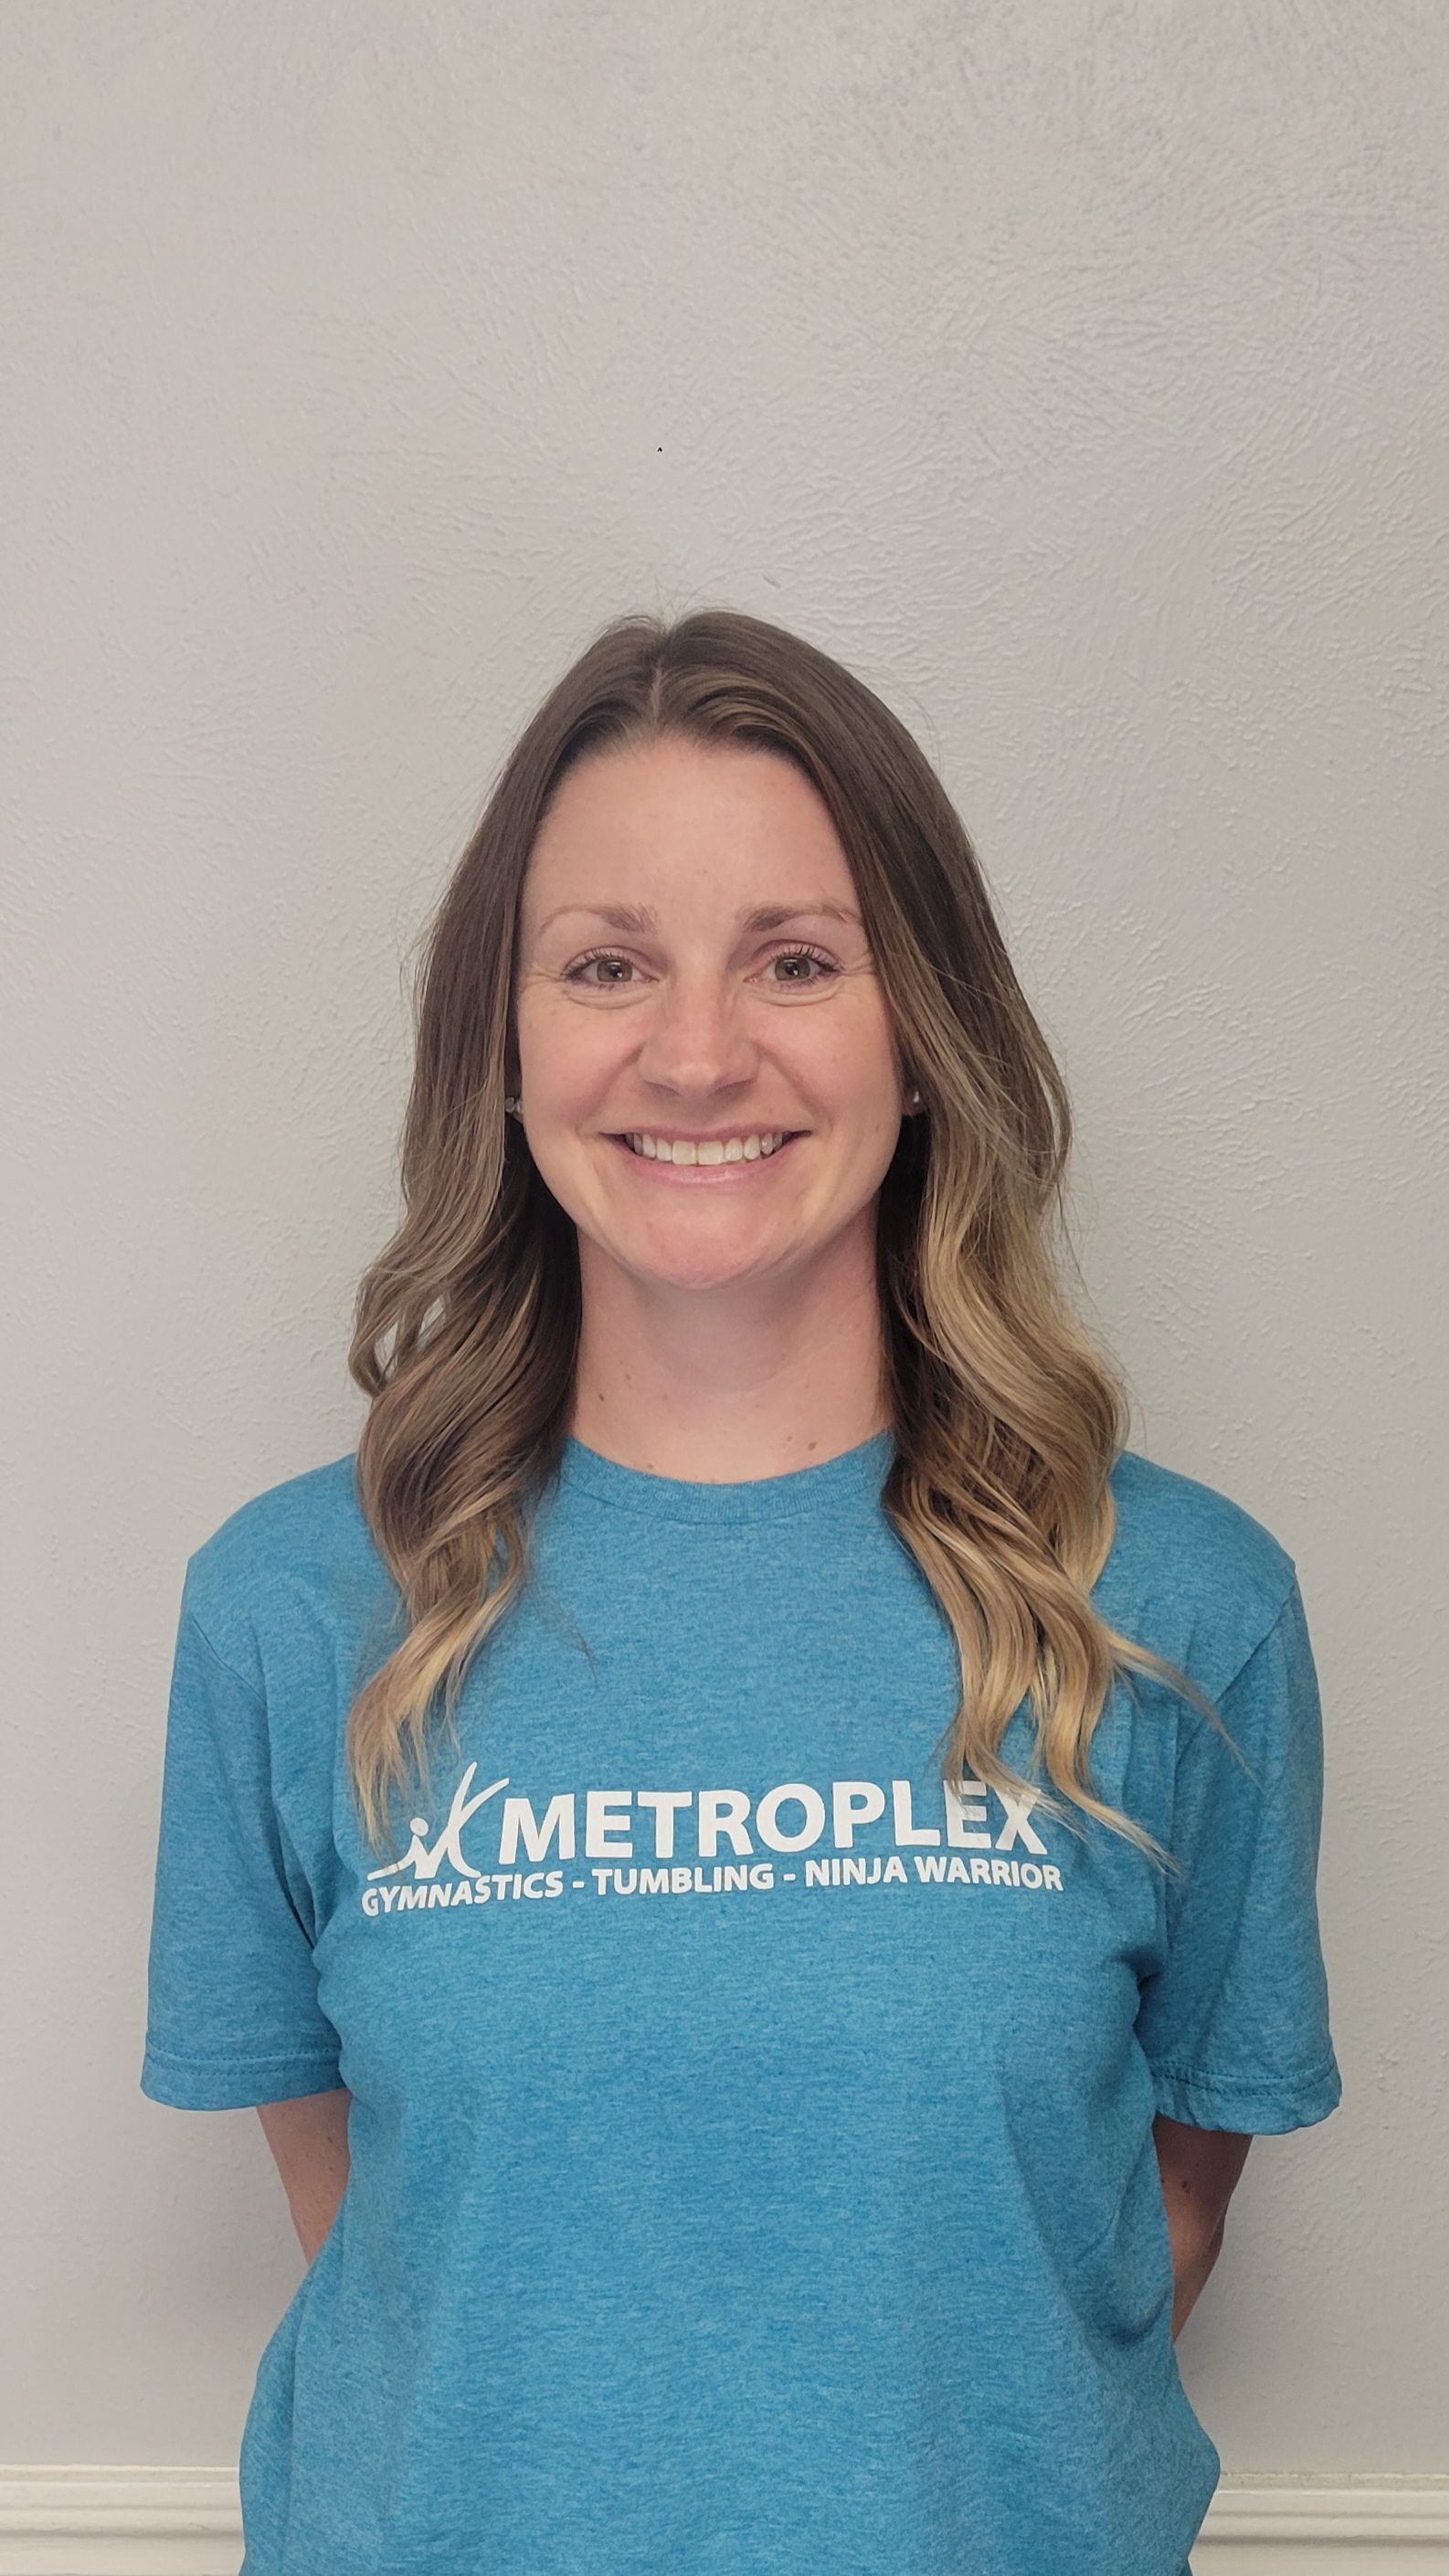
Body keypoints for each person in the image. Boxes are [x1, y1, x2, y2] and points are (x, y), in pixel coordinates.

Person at [140, 607, 1342, 2576]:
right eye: (607, 965)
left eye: (796, 961)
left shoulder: (1176, 1611)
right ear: (504, 1047)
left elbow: (1144, 2232)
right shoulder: (293, 1608)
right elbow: (387, 2227)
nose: (696, 1055)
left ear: (921, 1029)